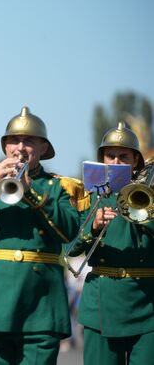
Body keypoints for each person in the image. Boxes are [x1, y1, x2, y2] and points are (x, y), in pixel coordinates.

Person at [0, 106, 87, 364]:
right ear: (5, 147)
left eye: (29, 141)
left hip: (40, 305)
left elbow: (69, 232)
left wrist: (32, 193)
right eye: (14, 141)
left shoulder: (57, 187)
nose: (20, 148)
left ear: (43, 149)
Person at [71, 121, 154, 364]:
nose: (116, 162)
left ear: (135, 161)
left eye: (123, 157)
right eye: (110, 156)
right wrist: (93, 227)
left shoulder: (150, 195)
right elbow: (71, 248)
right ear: (102, 160)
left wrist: (144, 212)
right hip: (102, 303)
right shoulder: (90, 196)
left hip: (147, 301)